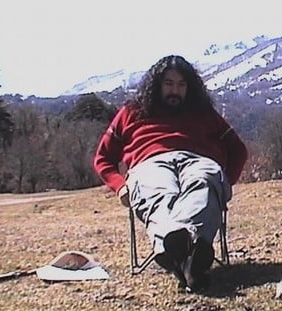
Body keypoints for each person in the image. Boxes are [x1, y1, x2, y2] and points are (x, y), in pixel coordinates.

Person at [93, 55, 248, 290]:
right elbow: (103, 157)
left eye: (181, 85)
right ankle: (191, 254)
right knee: (158, 189)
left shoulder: (204, 113)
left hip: (200, 160)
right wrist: (119, 186)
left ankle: (177, 250)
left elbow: (238, 150)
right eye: (168, 84)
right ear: (156, 84)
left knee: (203, 181)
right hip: (149, 163)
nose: (174, 90)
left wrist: (226, 182)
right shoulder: (131, 112)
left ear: (189, 87)